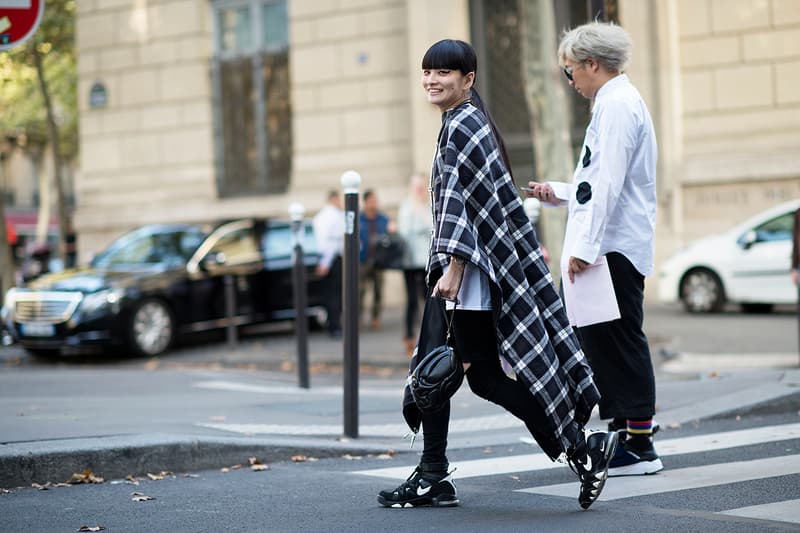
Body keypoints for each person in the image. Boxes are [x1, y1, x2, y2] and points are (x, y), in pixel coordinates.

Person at [377, 39, 617, 511]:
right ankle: (580, 449)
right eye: (427, 72)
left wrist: (454, 264)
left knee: (433, 374)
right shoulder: (462, 121)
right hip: (473, 272)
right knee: (482, 378)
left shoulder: (464, 123)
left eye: (444, 72)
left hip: (465, 274)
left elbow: (461, 203)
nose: (432, 80)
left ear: (468, 80)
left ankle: (434, 476)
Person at [524, 21, 662, 477]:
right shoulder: (613, 102)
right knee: (603, 340)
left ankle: (640, 445)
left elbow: (609, 183)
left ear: (591, 64)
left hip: (612, 246)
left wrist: (584, 246)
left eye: (569, 72)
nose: (570, 82)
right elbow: (595, 182)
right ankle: (627, 437)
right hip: (611, 242)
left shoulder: (618, 105)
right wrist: (560, 191)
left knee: (619, 340)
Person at [397, 173, 433, 355]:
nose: (418, 189)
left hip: (426, 260)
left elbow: (435, 229)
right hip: (410, 261)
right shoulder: (407, 207)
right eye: (415, 186)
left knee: (428, 299)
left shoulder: (429, 206)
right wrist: (423, 226)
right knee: (412, 300)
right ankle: (409, 336)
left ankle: (430, 336)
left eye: (421, 185)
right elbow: (404, 231)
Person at [313, 189, 344, 338]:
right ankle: (335, 326)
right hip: (333, 259)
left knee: (329, 294)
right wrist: (326, 261)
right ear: (334, 199)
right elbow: (332, 242)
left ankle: (332, 325)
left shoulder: (320, 216)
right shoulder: (335, 216)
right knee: (335, 295)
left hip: (324, 258)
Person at [359, 189, 390, 330]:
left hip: (379, 261)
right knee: (360, 290)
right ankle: (358, 318)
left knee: (378, 290)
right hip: (362, 260)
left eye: (375, 201)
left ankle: (375, 318)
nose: (373, 204)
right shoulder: (358, 220)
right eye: (371, 201)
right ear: (365, 202)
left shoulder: (383, 219)